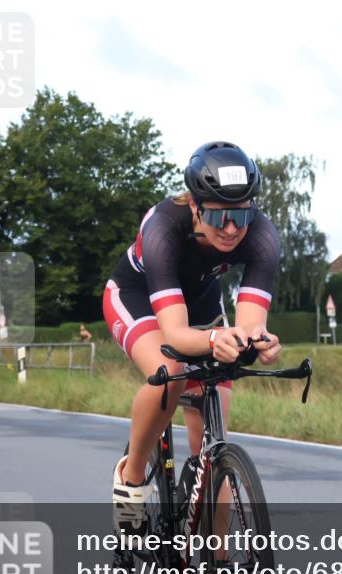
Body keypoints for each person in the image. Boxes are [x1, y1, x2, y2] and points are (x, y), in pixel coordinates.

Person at [102, 141, 282, 535]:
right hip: (138, 299)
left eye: (242, 214)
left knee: (213, 438)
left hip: (201, 305)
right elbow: (176, 335)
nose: (233, 229)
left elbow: (251, 323)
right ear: (196, 207)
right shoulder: (164, 227)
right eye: (220, 218)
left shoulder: (263, 236)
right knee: (171, 370)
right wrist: (215, 337)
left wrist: (259, 340)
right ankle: (131, 479)